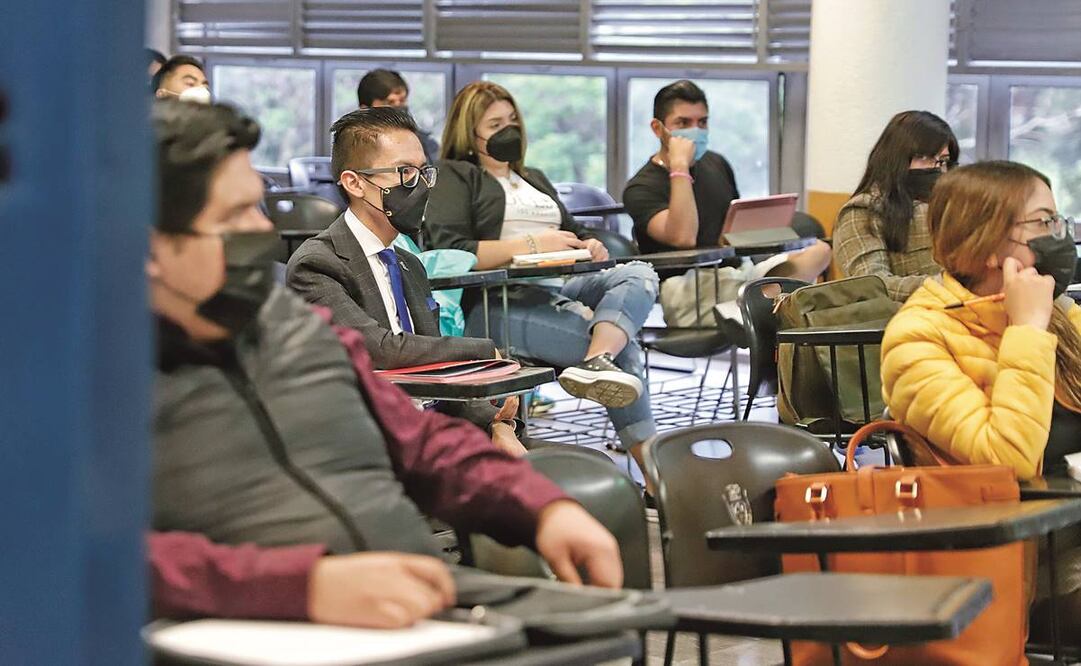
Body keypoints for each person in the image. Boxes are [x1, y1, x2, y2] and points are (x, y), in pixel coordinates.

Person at [148, 100, 622, 623]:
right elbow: (98, 558)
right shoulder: (94, 385)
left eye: (256, 208)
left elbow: (418, 442)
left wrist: (540, 506)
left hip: (418, 600)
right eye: (232, 217)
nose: (260, 231)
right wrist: (304, 588)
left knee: (610, 626)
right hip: (273, 628)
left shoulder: (288, 326)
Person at [881, 160, 1081, 642]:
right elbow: (1005, 459)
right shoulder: (917, 338)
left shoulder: (1057, 312)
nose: (1058, 236)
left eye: (1058, 221)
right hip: (1019, 576)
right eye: (1042, 223)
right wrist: (1027, 330)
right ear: (989, 245)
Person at [425, 80, 660, 468]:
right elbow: (450, 250)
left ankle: (594, 361)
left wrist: (589, 244)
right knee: (626, 348)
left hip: (563, 283)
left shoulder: (533, 177)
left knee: (639, 272)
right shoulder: (455, 175)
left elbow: (572, 230)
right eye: (495, 125)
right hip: (499, 299)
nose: (509, 131)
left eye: (512, 120)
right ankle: (656, 475)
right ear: (471, 133)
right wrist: (532, 244)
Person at [287, 107, 525, 457]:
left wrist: (495, 424)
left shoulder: (408, 263)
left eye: (424, 172)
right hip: (369, 448)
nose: (421, 186)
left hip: (432, 436)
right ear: (354, 183)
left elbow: (435, 375)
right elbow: (380, 351)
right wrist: (481, 351)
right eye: (405, 173)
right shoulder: (316, 264)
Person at [623, 80, 831, 333]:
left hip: (735, 275)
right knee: (788, 308)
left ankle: (753, 309)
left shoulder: (716, 163)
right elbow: (683, 237)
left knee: (819, 250)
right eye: (683, 123)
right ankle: (761, 310)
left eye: (702, 122)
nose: (695, 131)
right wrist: (679, 167)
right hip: (687, 290)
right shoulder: (640, 187)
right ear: (658, 129)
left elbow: (733, 230)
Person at [150, 531, 455, 628]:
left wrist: (504, 484)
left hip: (428, 587)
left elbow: (421, 442)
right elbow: (109, 550)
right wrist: (301, 581)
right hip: (248, 615)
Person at [834, 110, 958, 303]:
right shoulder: (863, 211)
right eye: (925, 158)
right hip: (909, 322)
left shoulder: (952, 204)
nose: (936, 169)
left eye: (942, 161)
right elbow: (870, 286)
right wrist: (946, 286)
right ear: (897, 158)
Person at [357, 69, 439, 163]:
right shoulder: (351, 148)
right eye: (389, 102)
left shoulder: (427, 145)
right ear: (365, 109)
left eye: (402, 100)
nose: (398, 106)